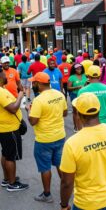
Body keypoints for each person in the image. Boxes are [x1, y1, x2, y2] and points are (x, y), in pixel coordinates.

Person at [59, 92, 106, 210]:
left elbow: (67, 182)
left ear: (79, 114)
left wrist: (64, 205)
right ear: (99, 109)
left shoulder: (72, 143)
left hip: (86, 204)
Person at [26, 72, 67, 202]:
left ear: (38, 83)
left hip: (44, 140)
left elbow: (33, 121)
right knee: (61, 164)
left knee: (45, 167)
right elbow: (65, 113)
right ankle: (68, 187)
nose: (33, 84)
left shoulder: (38, 100)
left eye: (34, 82)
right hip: (60, 136)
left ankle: (47, 195)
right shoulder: (60, 94)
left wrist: (28, 110)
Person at [0, 71, 29, 192]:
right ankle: (12, 183)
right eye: (3, 74)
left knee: (6, 154)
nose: (6, 76)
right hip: (9, 129)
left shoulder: (2, 89)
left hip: (5, 128)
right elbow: (12, 108)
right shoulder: (1, 92)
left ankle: (7, 179)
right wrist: (20, 96)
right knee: (11, 157)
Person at [67, 64, 87, 132]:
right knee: (75, 112)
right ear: (74, 70)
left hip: (83, 95)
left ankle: (83, 126)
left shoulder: (84, 76)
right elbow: (68, 88)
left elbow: (87, 83)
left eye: (80, 68)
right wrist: (77, 87)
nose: (79, 70)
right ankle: (76, 127)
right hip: (74, 95)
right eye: (77, 69)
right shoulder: (72, 77)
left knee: (83, 111)